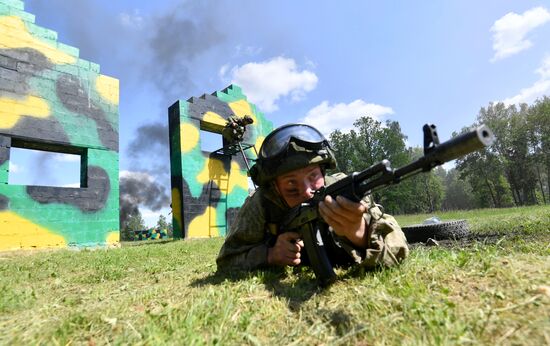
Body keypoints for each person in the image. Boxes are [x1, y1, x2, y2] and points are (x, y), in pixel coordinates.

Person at [216, 123, 409, 275]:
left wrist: (359, 233)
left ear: (323, 171)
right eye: (291, 185)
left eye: (313, 177)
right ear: (275, 188)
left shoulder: (345, 192)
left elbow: (398, 249)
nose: (307, 191)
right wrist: (270, 255)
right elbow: (226, 260)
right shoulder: (262, 204)